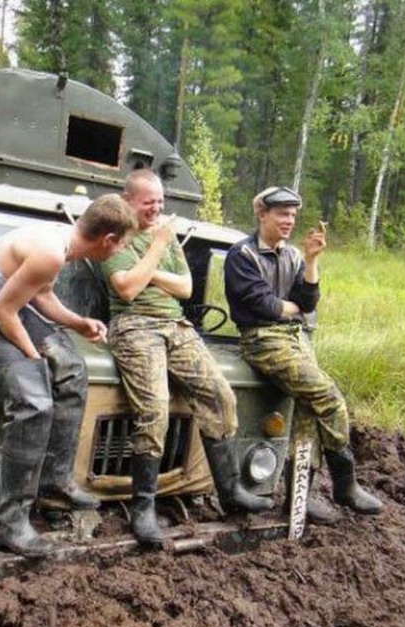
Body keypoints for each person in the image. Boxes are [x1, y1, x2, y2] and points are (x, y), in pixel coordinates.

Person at [0, 194, 137, 557]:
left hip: (7, 308)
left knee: (70, 369)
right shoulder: (50, 251)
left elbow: (42, 297)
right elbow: (2, 311)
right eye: (124, 244)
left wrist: (79, 323)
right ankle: (10, 524)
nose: (121, 251)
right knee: (34, 402)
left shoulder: (61, 242)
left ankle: (55, 480)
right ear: (108, 240)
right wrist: (34, 358)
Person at [99, 169, 272, 545]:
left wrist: (151, 269)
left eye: (161, 202)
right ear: (128, 200)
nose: (157, 209)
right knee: (154, 409)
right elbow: (126, 288)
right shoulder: (113, 235)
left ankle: (229, 490)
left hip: (176, 327)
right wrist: (159, 249)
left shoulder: (164, 234)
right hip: (134, 327)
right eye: (149, 203)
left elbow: (186, 287)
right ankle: (143, 507)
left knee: (220, 394)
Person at [223, 186, 383, 523]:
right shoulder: (242, 255)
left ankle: (299, 499)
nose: (289, 221)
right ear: (262, 213)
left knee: (308, 414)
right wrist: (290, 308)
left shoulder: (293, 255)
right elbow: (263, 306)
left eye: (293, 215)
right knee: (329, 397)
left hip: (294, 338)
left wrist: (311, 260)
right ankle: (345, 482)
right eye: (282, 213)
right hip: (261, 340)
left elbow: (308, 303)